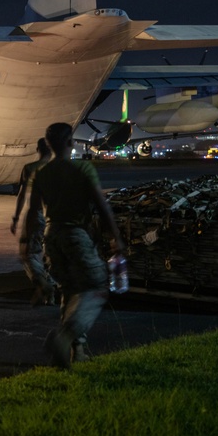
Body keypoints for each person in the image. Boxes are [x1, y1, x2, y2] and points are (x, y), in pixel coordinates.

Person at [27, 122, 125, 369]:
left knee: (70, 291)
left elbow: (32, 212)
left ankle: (76, 351)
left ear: (48, 144)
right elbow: (102, 206)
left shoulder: (41, 173)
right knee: (96, 286)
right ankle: (64, 338)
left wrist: (30, 247)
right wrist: (115, 238)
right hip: (75, 234)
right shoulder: (82, 168)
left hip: (52, 237)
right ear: (71, 142)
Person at [11, 138, 57, 306]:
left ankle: (45, 286)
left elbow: (22, 196)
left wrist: (16, 218)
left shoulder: (30, 168)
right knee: (49, 255)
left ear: (38, 149)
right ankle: (50, 291)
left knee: (28, 254)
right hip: (54, 217)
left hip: (35, 215)